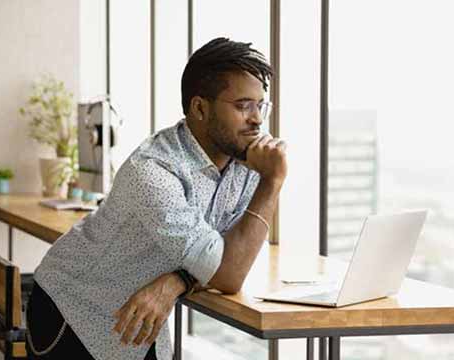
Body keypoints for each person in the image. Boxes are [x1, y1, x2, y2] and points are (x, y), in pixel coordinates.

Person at [26, 37, 287, 360]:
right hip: (72, 308)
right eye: (243, 105)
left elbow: (236, 255)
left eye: (261, 105)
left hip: (139, 319)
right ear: (200, 108)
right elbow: (228, 274)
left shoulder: (245, 165)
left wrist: (177, 281)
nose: (257, 119)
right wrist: (272, 182)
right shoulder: (152, 169)